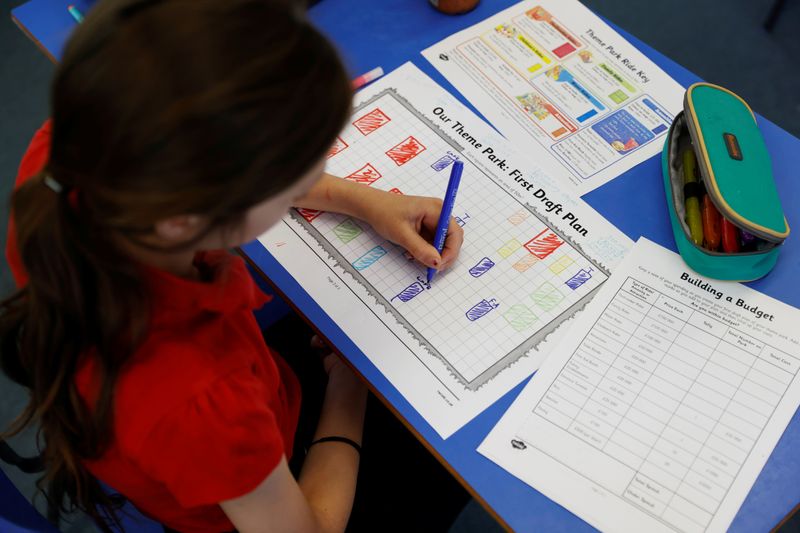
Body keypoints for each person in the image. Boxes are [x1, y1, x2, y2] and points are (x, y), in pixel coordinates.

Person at [0, 1, 463, 531]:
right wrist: (347, 390)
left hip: (215, 429)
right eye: (295, 172)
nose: (314, 176)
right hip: (249, 487)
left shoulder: (76, 157)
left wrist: (362, 201)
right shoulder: (206, 402)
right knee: (443, 463)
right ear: (194, 213)